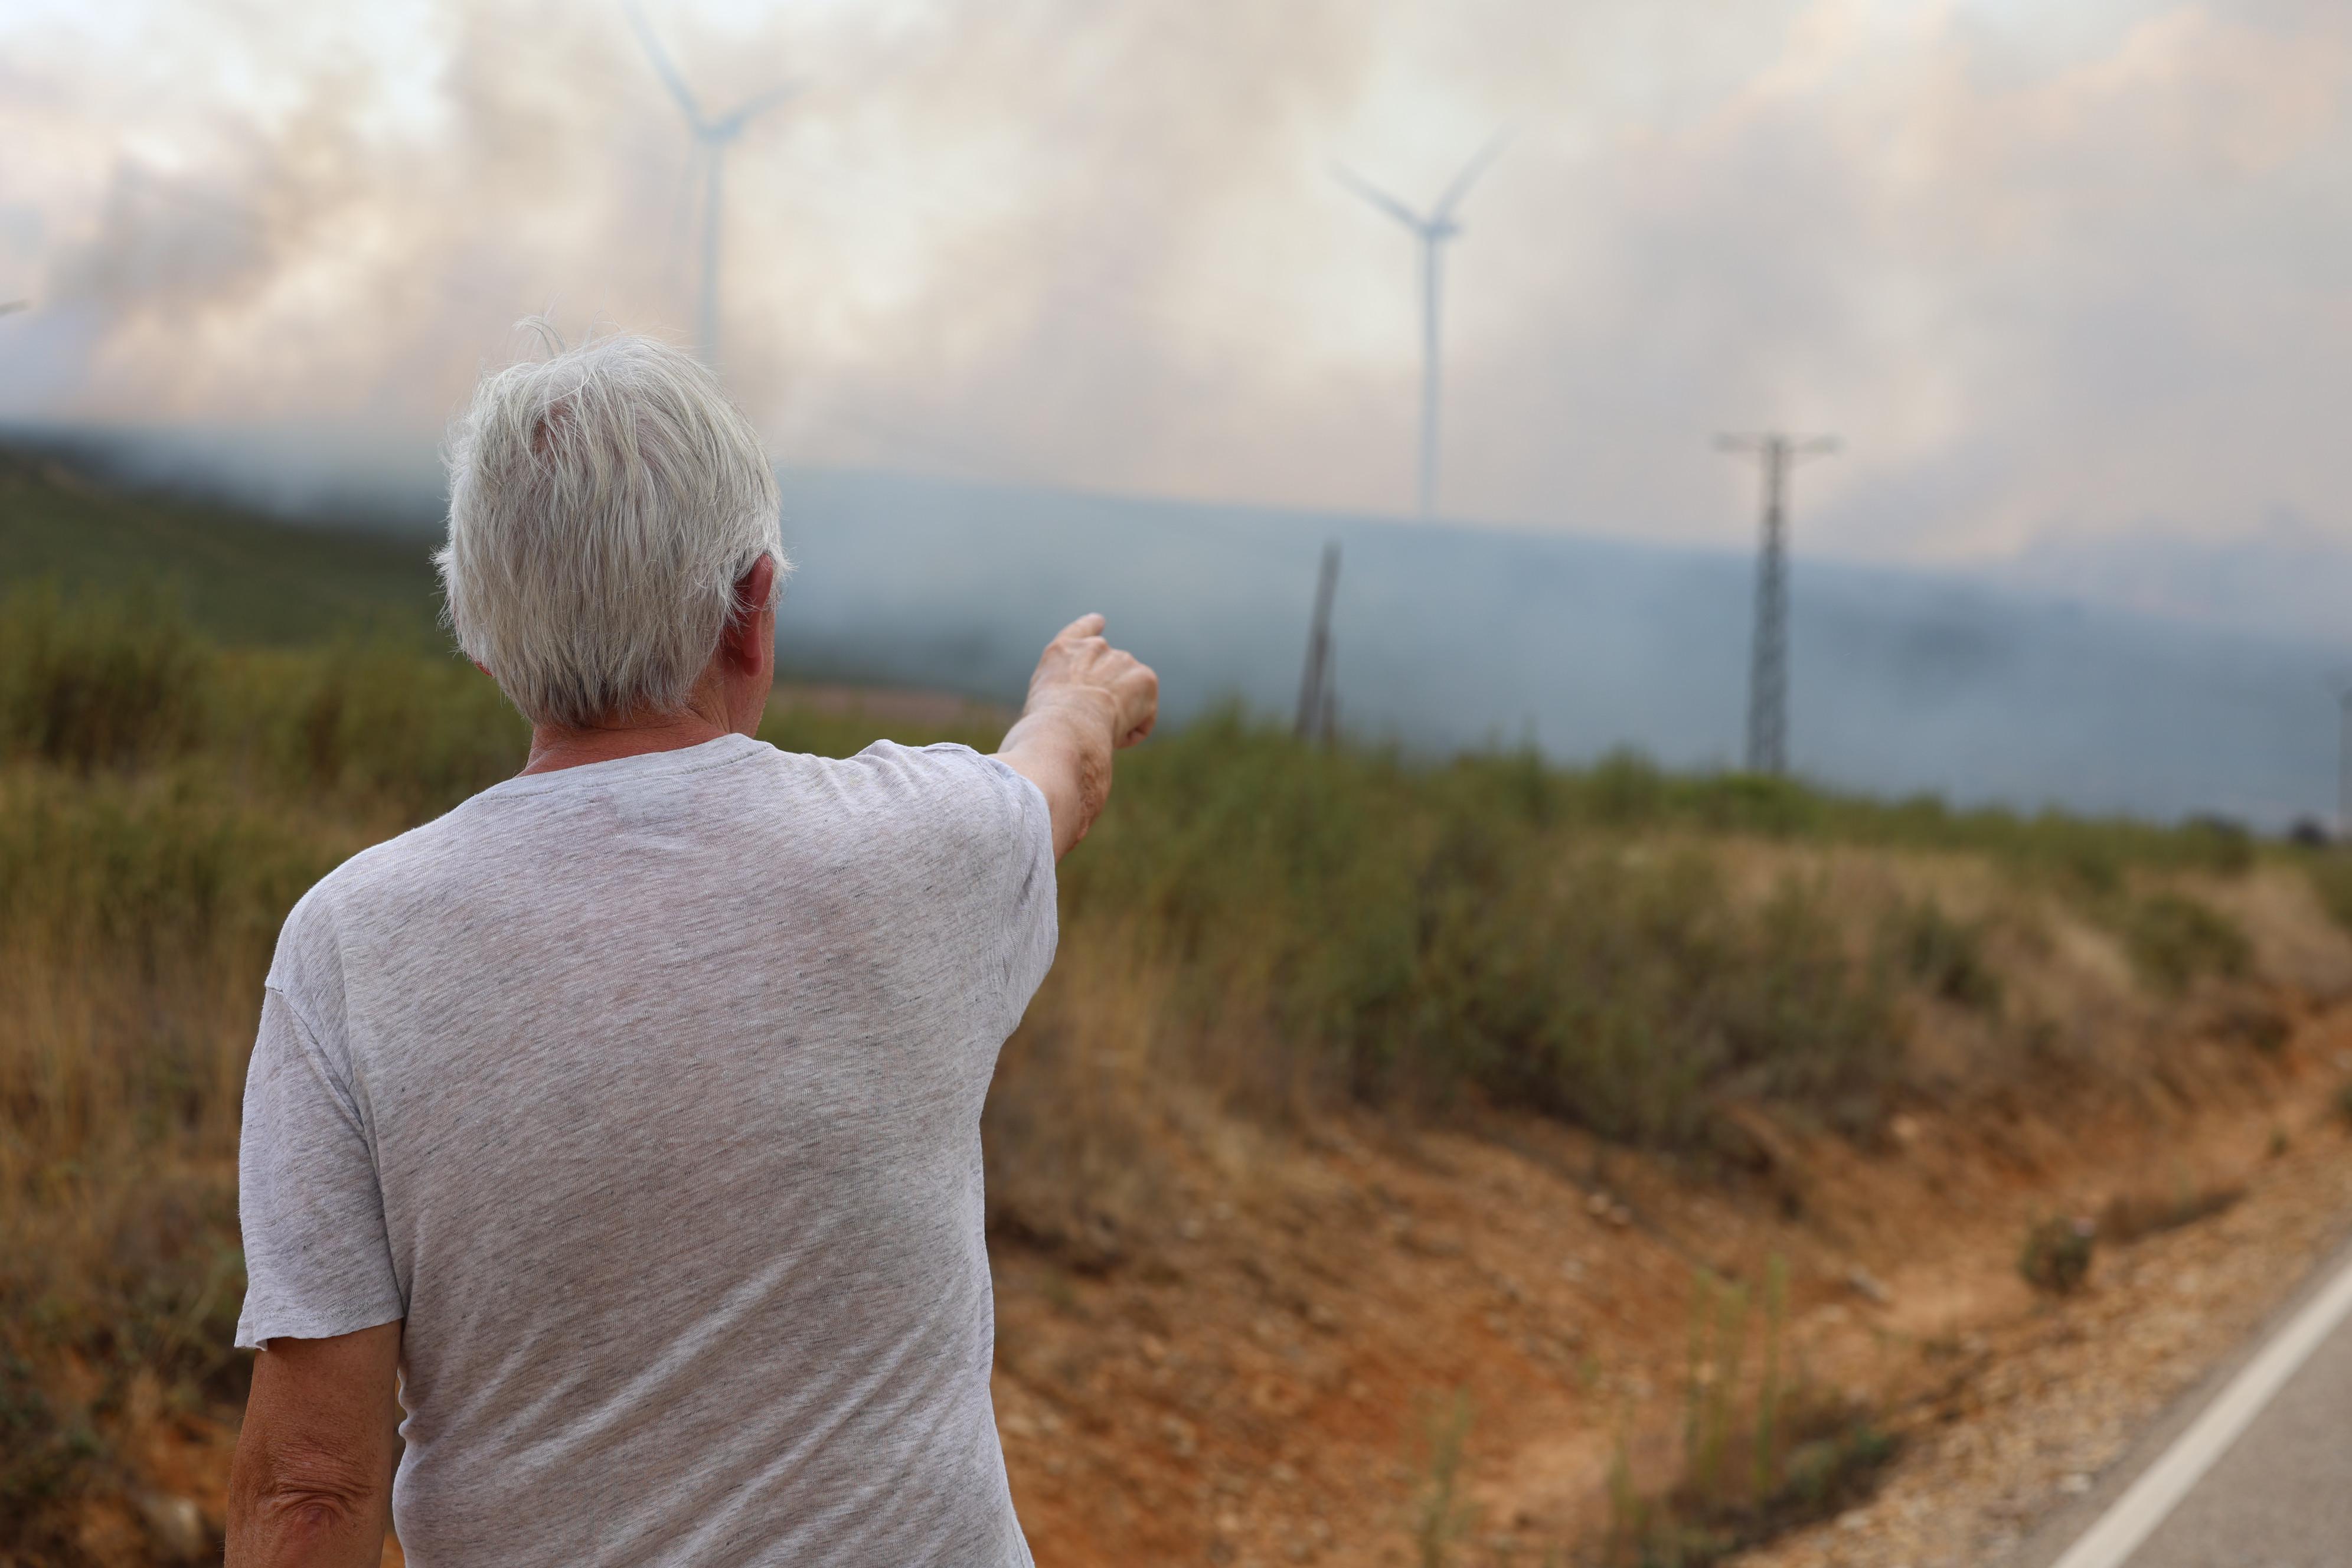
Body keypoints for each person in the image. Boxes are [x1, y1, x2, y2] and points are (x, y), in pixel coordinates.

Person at [224, 330, 1158, 1567]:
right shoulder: (925, 843)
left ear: (488, 633)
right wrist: (1074, 697)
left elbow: (310, 1494)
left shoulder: (349, 942)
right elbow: (1060, 778)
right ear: (753, 604)